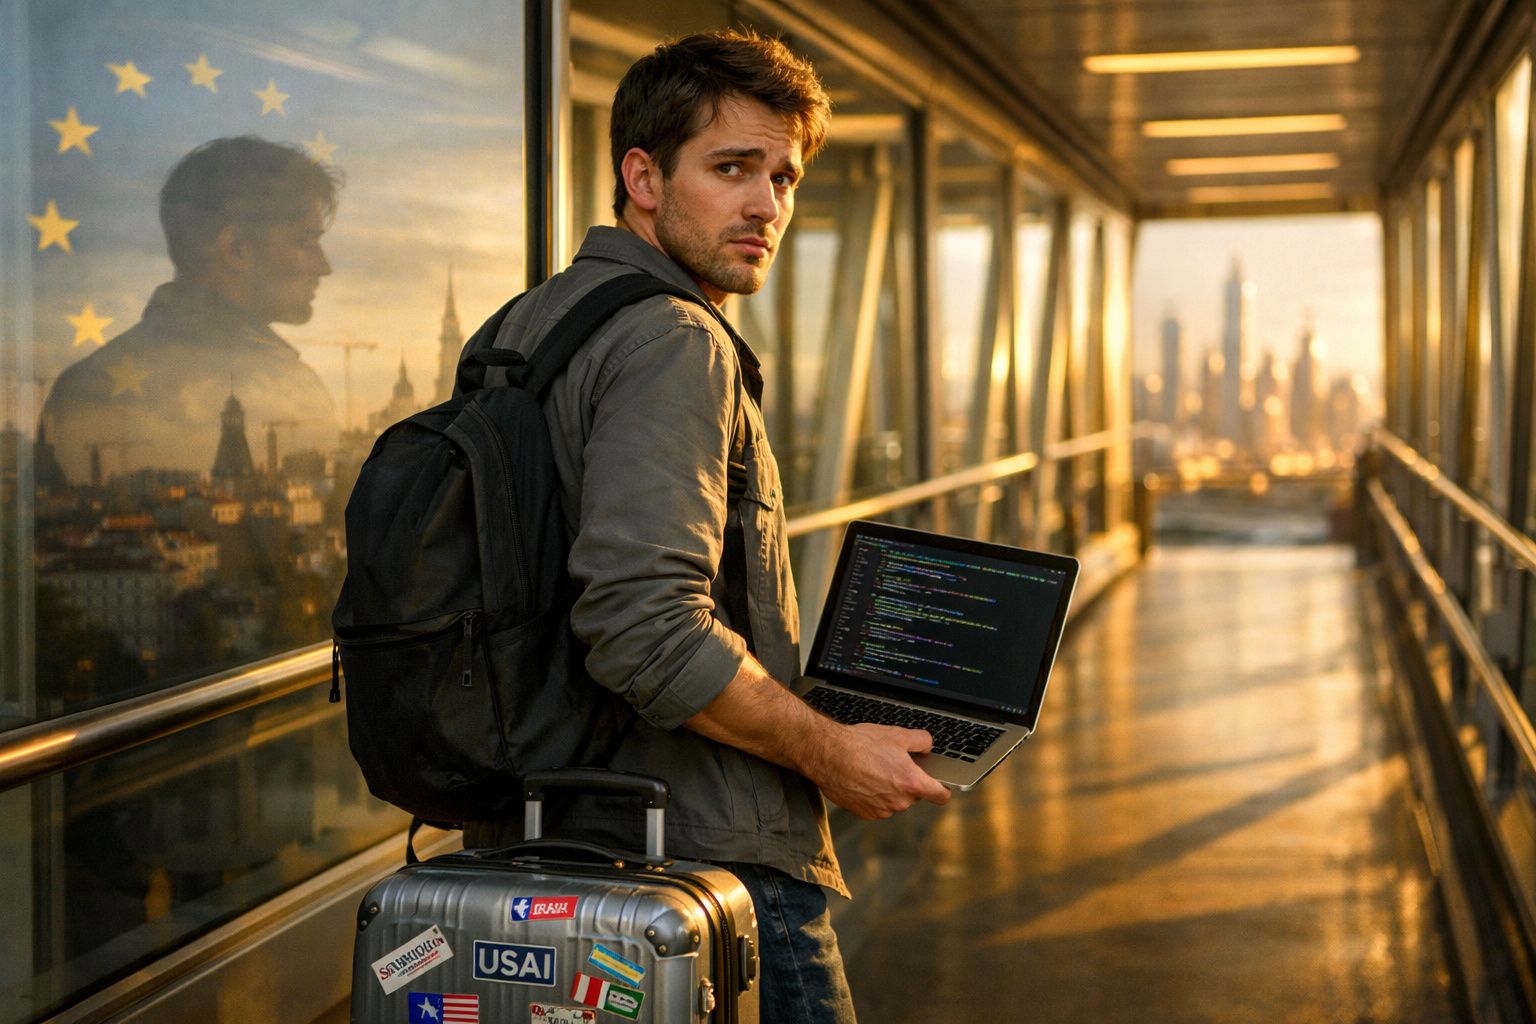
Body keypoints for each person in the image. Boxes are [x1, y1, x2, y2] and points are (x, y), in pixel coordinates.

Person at [461, 30, 950, 1022]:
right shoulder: (674, 338)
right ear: (642, 177)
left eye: (783, 176)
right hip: (708, 864)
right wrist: (828, 749)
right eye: (731, 169)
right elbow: (643, 625)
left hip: (548, 839)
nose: (767, 204)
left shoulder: (523, 327)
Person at [40, 136, 340, 484]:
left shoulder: (80, 385)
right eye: (305, 241)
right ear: (236, 248)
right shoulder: (293, 388)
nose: (324, 266)